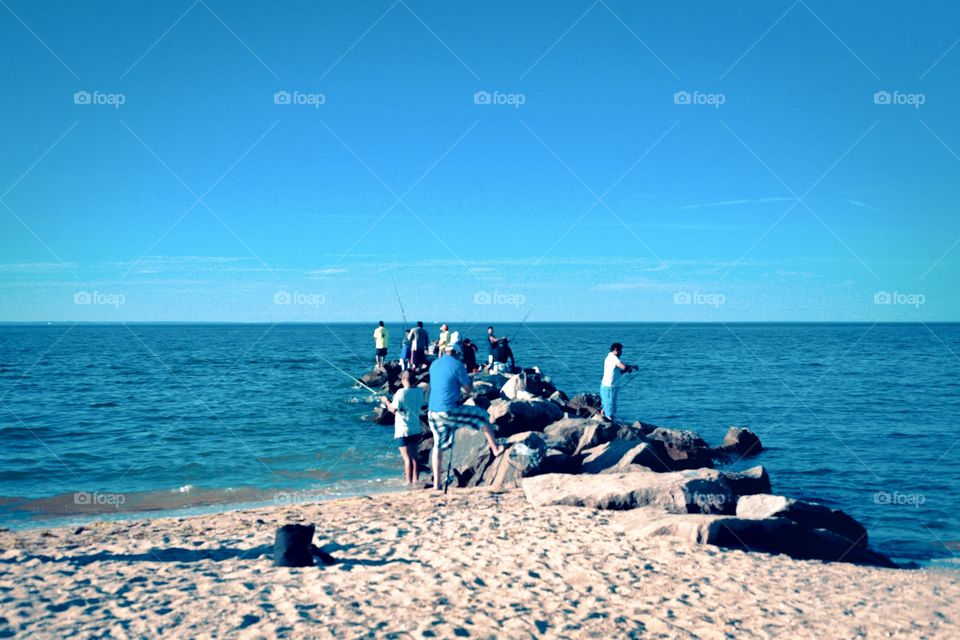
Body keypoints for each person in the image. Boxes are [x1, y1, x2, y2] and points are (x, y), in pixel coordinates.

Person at [427, 343, 504, 490]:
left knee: (438, 445)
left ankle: (437, 483)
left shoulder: (434, 364)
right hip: (449, 410)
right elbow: (468, 389)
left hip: (433, 411)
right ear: (457, 353)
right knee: (482, 416)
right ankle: (495, 448)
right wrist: (470, 381)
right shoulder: (458, 365)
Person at [381, 369, 425, 485]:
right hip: (415, 428)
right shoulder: (419, 391)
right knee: (414, 457)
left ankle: (408, 482)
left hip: (402, 430)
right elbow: (419, 405)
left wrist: (386, 401)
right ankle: (416, 480)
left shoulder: (400, 392)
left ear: (404, 379)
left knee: (407, 458)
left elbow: (393, 409)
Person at [600, 342, 637, 422]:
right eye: (621, 351)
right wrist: (632, 366)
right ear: (616, 350)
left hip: (607, 386)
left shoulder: (609, 358)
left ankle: (602, 421)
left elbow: (618, 371)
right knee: (610, 407)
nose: (621, 353)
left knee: (606, 406)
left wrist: (628, 369)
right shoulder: (613, 358)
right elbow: (623, 366)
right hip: (609, 387)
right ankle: (609, 424)